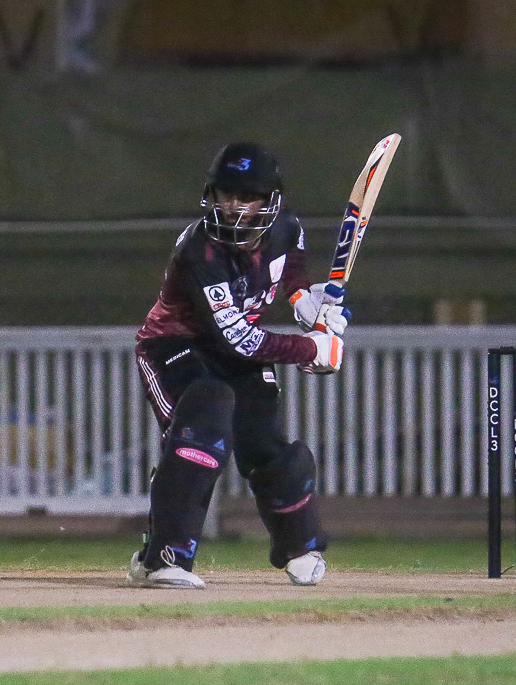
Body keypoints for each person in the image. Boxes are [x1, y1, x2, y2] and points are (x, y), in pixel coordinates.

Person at [128, 142, 347, 589]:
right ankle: (161, 559)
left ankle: (300, 548)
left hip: (232, 350)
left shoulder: (287, 227)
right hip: (174, 347)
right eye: (226, 194)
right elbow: (239, 339)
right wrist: (311, 350)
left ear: (270, 201)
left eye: (246, 197)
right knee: (205, 417)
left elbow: (290, 266)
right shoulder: (199, 252)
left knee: (264, 440)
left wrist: (304, 301)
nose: (232, 206)